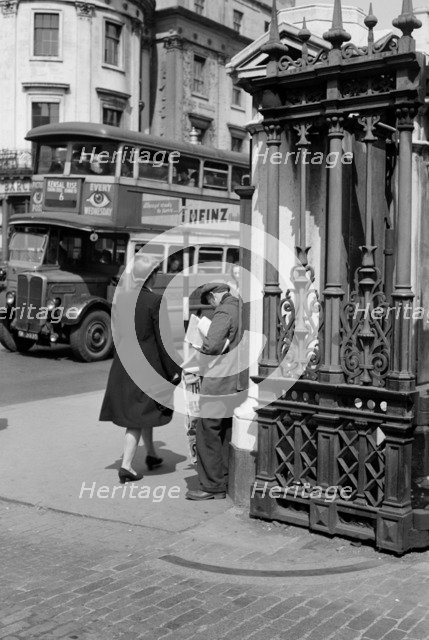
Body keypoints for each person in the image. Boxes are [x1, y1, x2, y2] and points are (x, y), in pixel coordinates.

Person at [99, 254, 182, 484]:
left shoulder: (121, 299)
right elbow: (163, 342)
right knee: (136, 418)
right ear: (150, 276)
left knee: (144, 411)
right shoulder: (155, 302)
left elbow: (116, 335)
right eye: (156, 273)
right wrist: (174, 370)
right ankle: (126, 467)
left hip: (124, 366)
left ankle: (152, 454)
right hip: (147, 369)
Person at [185, 283, 240, 500]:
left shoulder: (224, 310)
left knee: (207, 433)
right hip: (233, 380)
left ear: (214, 295)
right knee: (224, 432)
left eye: (209, 301)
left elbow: (213, 345)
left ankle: (211, 486)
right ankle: (223, 479)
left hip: (218, 381)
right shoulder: (239, 308)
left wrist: (199, 346)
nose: (210, 305)